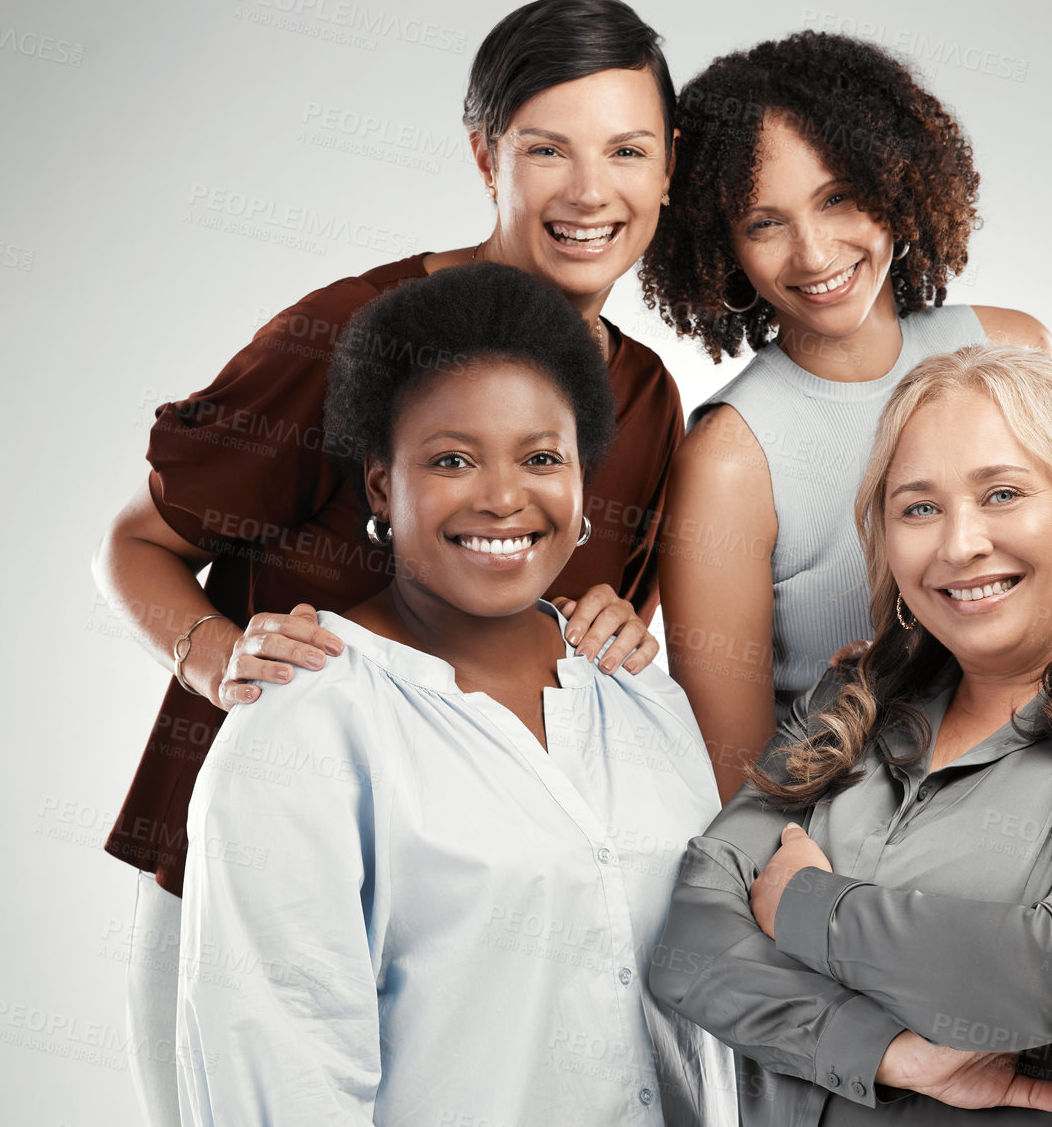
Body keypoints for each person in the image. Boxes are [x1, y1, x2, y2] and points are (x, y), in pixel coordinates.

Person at [91, 0, 685, 1125]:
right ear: (484, 158)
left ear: (667, 171)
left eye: (627, 149)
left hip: (480, 901)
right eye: (544, 148)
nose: (589, 190)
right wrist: (220, 660)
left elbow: (575, 622)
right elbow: (137, 539)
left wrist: (617, 621)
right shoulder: (356, 337)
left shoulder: (648, 399)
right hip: (258, 875)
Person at [650, 344, 1052, 1125]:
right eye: (918, 508)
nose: (959, 545)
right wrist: (887, 1055)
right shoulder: (849, 704)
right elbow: (686, 943)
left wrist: (803, 906)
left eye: (1001, 494)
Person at [178, 261, 733, 1126]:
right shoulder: (309, 725)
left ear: (583, 481)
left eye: (541, 457)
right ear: (380, 487)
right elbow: (284, 1068)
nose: (504, 497)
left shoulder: (636, 692)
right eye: (450, 459)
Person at [639, 30, 1052, 801]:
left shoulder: (1010, 349)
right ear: (721, 247)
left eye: (836, 198)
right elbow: (740, 785)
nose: (813, 252)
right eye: (764, 223)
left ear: (895, 181)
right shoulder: (732, 457)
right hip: (854, 843)